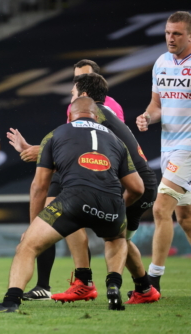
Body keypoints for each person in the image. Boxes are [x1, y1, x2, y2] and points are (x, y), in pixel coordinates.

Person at [0, 97, 144, 313]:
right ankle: (113, 284)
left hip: (74, 199)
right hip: (112, 203)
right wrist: (119, 208)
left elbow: (39, 186)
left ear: (70, 115)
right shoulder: (116, 140)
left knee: (27, 247)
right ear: (97, 116)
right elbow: (137, 188)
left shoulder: (57, 134)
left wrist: (32, 226)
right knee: (116, 239)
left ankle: (11, 301)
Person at [7, 59, 125, 301]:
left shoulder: (109, 109)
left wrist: (40, 149)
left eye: (81, 78)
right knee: (64, 217)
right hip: (69, 170)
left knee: (80, 221)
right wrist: (39, 149)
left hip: (95, 172)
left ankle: (139, 282)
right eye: (75, 78)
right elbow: (69, 141)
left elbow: (101, 145)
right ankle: (50, 284)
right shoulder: (75, 105)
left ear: (92, 83)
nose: (76, 84)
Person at [136, 11, 191, 293]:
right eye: (168, 32)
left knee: (161, 208)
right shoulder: (161, 63)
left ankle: (152, 281)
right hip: (169, 147)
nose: (171, 38)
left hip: (188, 149)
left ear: (189, 35)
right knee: (185, 218)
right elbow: (157, 105)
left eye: (177, 33)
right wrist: (147, 117)